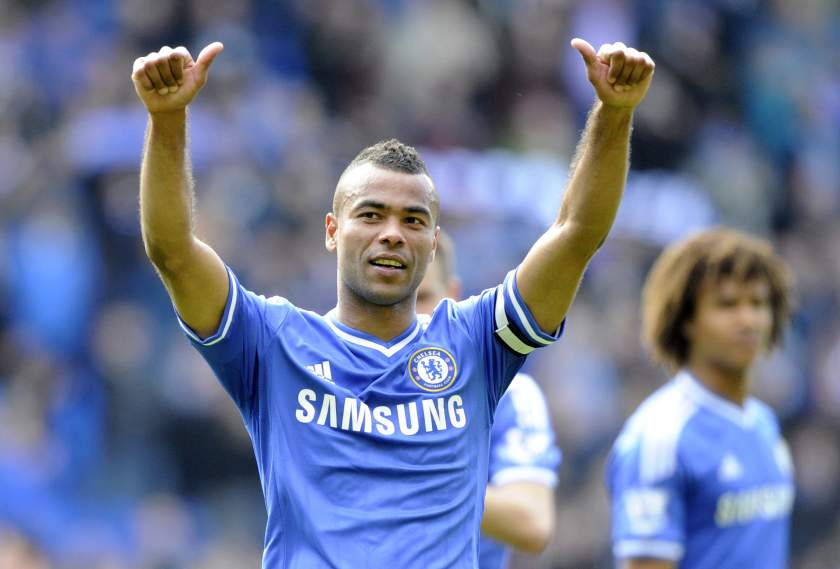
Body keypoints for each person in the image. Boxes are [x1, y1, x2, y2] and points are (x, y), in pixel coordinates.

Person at [132, 37, 654, 567]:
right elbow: (173, 253)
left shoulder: (475, 344)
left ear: (434, 242)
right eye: (371, 214)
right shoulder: (272, 342)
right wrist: (167, 121)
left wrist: (614, 112)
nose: (392, 234)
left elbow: (576, 233)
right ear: (332, 231)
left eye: (413, 221)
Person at [606, 228, 795, 569]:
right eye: (727, 305)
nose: (748, 320)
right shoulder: (660, 438)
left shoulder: (765, 425)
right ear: (686, 319)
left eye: (758, 303)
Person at [415, 231, 561, 569]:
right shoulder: (335, 379)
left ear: (452, 295)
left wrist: (408, 470)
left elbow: (531, 521)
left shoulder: (509, 394)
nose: (408, 312)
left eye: (422, 297)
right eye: (396, 298)